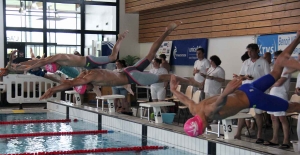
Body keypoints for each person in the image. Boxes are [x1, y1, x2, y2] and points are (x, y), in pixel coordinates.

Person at [170, 30, 300, 137]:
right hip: (247, 87)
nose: (205, 130)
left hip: (252, 98)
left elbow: (218, 103)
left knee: (290, 107)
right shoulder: (194, 109)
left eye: (203, 129)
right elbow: (185, 99)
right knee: (276, 73)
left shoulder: (209, 112)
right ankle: (297, 39)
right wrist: (174, 90)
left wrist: (226, 92)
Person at [39, 21, 202, 100]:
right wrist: (119, 40)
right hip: (128, 70)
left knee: (165, 77)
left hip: (132, 77)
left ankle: (193, 82)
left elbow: (69, 83)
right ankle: (166, 32)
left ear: (84, 86)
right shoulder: (88, 72)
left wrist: (53, 90)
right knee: (151, 53)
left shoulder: (88, 78)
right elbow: (113, 56)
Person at [4, 30, 129, 74]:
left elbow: (38, 62)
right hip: (86, 66)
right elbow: (36, 61)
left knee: (113, 58)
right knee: (101, 75)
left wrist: (24, 68)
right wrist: (18, 65)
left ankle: (120, 39)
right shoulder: (55, 59)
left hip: (89, 61)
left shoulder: (58, 57)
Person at [233, 43, 270, 142]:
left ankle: (259, 135)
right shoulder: (246, 62)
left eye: (251, 51)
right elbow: (241, 75)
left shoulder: (263, 62)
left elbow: (268, 78)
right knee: (243, 112)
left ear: (256, 50)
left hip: (258, 91)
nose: (249, 53)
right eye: (248, 51)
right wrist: (242, 77)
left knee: (258, 113)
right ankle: (238, 133)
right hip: (246, 90)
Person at [264, 50, 291, 148]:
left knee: (282, 118)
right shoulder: (274, 68)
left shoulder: (287, 68)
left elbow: (279, 82)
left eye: (276, 59)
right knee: (273, 118)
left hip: (281, 96)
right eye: (274, 59)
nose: (274, 61)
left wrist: (271, 83)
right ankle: (274, 139)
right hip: (272, 94)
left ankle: (286, 140)